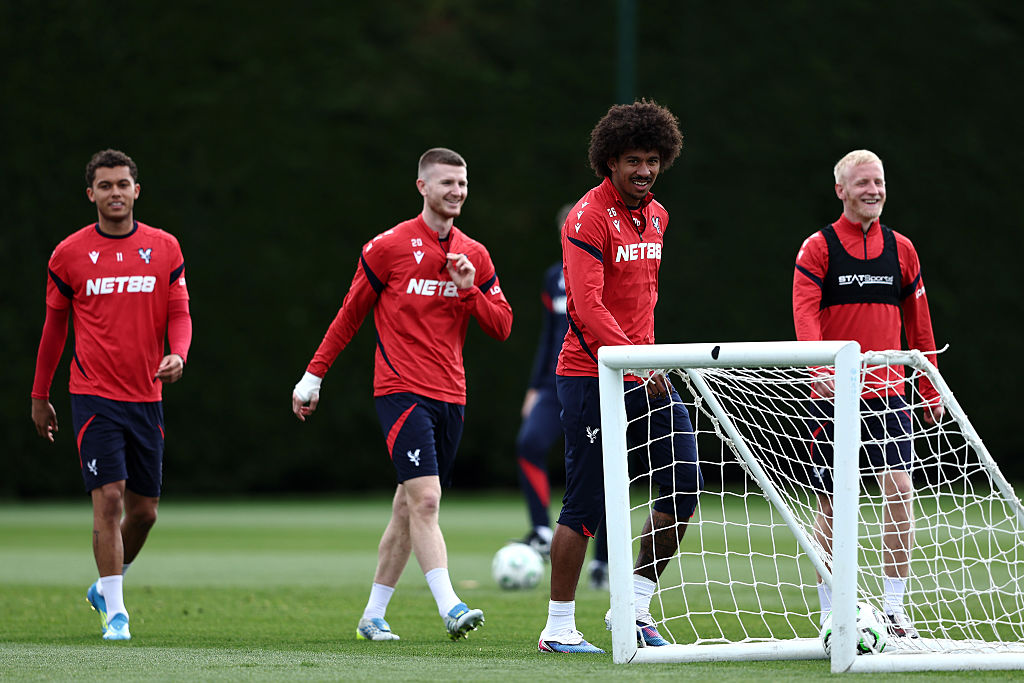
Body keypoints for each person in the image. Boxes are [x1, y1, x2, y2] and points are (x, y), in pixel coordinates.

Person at [291, 148, 512, 643]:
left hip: (451, 395)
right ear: (422, 187)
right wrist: (313, 376)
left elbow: (503, 327)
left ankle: (372, 615)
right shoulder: (387, 247)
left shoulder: (474, 254)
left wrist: (470, 289)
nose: (456, 191)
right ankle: (451, 606)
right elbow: (349, 315)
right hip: (400, 391)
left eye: (463, 183)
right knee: (427, 501)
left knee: (406, 508)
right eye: (446, 183)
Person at [537, 101, 702, 654]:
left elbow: (643, 303)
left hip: (644, 374)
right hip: (589, 375)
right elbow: (585, 308)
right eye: (633, 160)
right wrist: (635, 357)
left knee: (684, 482)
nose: (645, 171)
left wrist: (645, 358)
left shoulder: (658, 216)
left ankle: (631, 608)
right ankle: (558, 627)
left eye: (653, 160)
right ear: (609, 161)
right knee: (586, 503)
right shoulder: (587, 217)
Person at [30, 149, 193, 642]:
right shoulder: (70, 254)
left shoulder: (164, 247)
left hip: (146, 398)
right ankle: (117, 614)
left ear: (136, 191)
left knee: (145, 512)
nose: (115, 193)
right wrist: (40, 395)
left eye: (123, 184)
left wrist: (179, 354)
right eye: (105, 186)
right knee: (110, 498)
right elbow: (54, 329)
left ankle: (104, 586)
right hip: (93, 396)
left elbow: (180, 314)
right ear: (91, 194)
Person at [792, 149, 944, 639]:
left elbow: (919, 326)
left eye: (878, 182)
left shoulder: (903, 249)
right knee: (835, 502)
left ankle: (895, 609)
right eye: (862, 183)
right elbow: (806, 315)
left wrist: (929, 383)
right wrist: (820, 369)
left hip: (892, 393)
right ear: (840, 190)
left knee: (899, 490)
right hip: (835, 395)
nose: (873, 190)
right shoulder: (817, 248)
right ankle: (832, 612)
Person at [516, 205, 610, 591]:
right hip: (558, 380)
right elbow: (548, 334)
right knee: (528, 445)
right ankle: (540, 528)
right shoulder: (554, 277)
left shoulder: (607, 271)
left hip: (599, 376)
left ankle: (603, 561)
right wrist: (535, 386)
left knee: (603, 467)